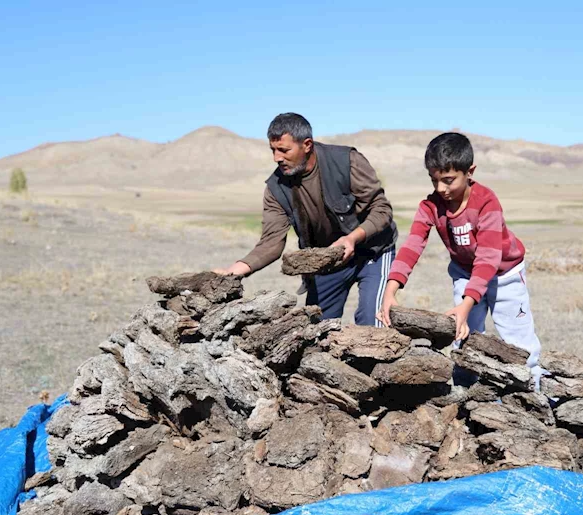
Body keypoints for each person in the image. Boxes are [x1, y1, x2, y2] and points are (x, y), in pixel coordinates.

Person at [377, 132, 542, 371]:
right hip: (465, 274)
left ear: (470, 172)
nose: (441, 189)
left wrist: (466, 305)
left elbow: (488, 259)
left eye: (448, 180)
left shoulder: (486, 202)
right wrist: (390, 292)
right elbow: (412, 247)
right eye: (434, 181)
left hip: (504, 275)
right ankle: (466, 396)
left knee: (519, 343)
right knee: (464, 337)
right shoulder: (430, 206)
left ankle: (532, 389)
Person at [215, 113, 397, 326]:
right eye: (273, 150)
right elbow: (271, 242)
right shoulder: (276, 188)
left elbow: (381, 210)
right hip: (329, 259)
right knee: (316, 331)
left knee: (372, 323)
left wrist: (352, 239)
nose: (277, 158)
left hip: (372, 251)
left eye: (283, 150)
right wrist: (233, 272)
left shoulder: (346, 161)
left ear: (307, 145)